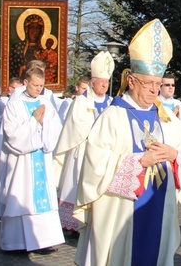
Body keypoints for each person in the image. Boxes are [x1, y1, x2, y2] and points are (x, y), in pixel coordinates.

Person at [74, 19, 181, 266]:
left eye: (158, 84)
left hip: (159, 203)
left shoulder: (167, 115)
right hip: (121, 210)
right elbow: (94, 166)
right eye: (148, 83)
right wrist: (139, 161)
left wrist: (175, 155)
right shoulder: (113, 115)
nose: (154, 90)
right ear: (131, 81)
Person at [0, 67, 64, 254]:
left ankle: (43, 241)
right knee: (21, 196)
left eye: (41, 86)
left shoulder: (45, 102)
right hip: (22, 161)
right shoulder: (15, 104)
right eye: (35, 85)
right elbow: (12, 135)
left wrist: (44, 124)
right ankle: (15, 243)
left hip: (41, 157)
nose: (39, 89)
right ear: (26, 83)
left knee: (42, 199)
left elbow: (56, 128)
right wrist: (34, 121)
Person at [53, 51, 114, 234]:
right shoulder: (80, 101)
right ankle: (73, 224)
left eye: (107, 82)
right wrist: (98, 128)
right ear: (92, 83)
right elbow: (76, 126)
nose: (104, 85)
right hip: (82, 150)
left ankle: (94, 222)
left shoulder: (111, 102)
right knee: (76, 184)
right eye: (101, 82)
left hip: (102, 154)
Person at [158, 74, 181, 139]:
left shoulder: (178, 104)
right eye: (167, 85)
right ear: (160, 87)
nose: (171, 87)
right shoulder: (154, 102)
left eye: (173, 85)